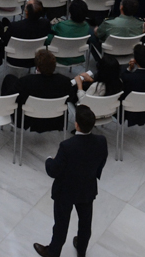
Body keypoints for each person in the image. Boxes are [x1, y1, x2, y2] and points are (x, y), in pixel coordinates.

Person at [35, 104, 107, 257]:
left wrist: (48, 160)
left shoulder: (67, 146)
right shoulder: (101, 141)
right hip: (87, 188)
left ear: (77, 125)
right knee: (85, 222)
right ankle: (81, 250)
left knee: (61, 224)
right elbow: (101, 161)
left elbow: (53, 170)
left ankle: (53, 252)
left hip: (65, 192)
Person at [0, 49, 75, 132]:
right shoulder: (64, 82)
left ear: (38, 67)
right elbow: (70, 97)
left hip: (27, 119)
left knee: (9, 79)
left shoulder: (26, 81)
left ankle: (3, 112)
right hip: (55, 119)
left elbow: (12, 97)